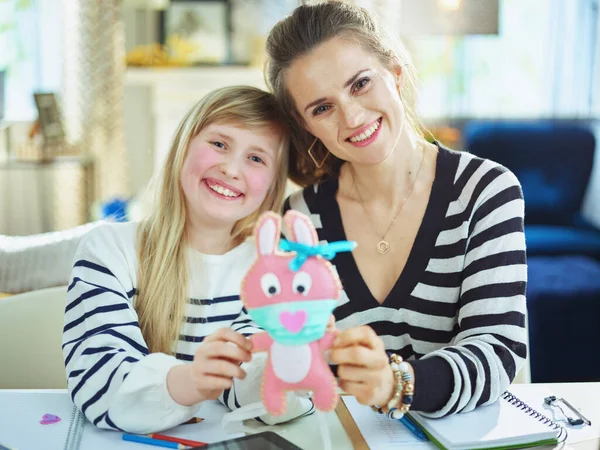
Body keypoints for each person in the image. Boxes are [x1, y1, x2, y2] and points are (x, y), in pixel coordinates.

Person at [265, 2, 527, 418]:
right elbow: (293, 359)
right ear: (306, 127)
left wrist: (395, 384)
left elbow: (497, 351)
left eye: (360, 83)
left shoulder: (485, 190)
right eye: (322, 107)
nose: (351, 116)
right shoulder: (297, 222)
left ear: (396, 73)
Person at [62, 86, 314, 434]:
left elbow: (257, 387)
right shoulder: (108, 250)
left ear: (272, 186)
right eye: (219, 144)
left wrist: (288, 363)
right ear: (183, 147)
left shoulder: (274, 269)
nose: (230, 169)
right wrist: (193, 379)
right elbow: (100, 382)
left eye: (256, 158)